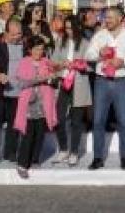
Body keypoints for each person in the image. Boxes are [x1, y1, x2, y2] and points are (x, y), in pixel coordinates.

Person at [86, 7, 125, 170]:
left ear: (119, 19)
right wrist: (99, 53)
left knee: (124, 120)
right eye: (106, 18)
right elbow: (88, 55)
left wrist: (122, 61)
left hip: (122, 80)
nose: (107, 20)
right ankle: (98, 158)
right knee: (98, 120)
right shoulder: (100, 35)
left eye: (110, 18)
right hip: (102, 81)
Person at [49, 14, 91, 166]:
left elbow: (90, 65)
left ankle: (74, 152)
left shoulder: (86, 43)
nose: (68, 31)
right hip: (63, 83)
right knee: (58, 118)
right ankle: (63, 149)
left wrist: (78, 64)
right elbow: (53, 62)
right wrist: (62, 64)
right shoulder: (61, 41)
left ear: (77, 27)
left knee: (76, 121)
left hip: (79, 84)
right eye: (66, 28)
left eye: (70, 28)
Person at [14, 35, 58, 179]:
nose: (39, 52)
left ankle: (34, 159)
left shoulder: (47, 62)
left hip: (43, 105)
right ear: (29, 49)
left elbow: (54, 79)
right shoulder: (24, 62)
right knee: (27, 136)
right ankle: (22, 164)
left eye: (41, 49)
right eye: (36, 49)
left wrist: (52, 79)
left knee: (40, 134)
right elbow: (21, 83)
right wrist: (37, 79)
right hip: (28, 107)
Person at [0, 17, 26, 166]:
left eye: (19, 34)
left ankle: (11, 152)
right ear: (6, 33)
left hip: (18, 90)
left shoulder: (25, 42)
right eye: (14, 34)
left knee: (14, 123)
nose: (17, 37)